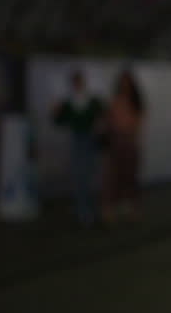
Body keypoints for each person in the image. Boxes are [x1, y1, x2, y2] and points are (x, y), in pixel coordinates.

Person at [51, 69, 104, 226]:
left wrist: (99, 125)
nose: (77, 84)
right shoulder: (70, 102)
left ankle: (88, 209)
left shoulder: (91, 100)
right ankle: (84, 211)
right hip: (78, 140)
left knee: (88, 175)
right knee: (80, 176)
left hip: (89, 140)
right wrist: (55, 112)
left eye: (79, 81)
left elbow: (102, 117)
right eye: (75, 82)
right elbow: (59, 121)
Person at [100, 68, 145, 223]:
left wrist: (131, 136)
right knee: (113, 178)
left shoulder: (136, 102)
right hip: (116, 142)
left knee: (130, 177)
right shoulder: (115, 100)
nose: (125, 85)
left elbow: (138, 123)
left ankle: (132, 209)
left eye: (127, 82)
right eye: (123, 82)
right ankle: (110, 210)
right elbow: (108, 121)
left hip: (129, 142)